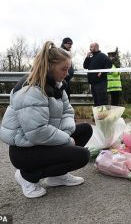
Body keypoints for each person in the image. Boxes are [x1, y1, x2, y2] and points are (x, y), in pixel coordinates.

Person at [0, 41, 92, 198]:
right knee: (82, 156)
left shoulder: (57, 85)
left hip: (42, 142)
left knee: (85, 129)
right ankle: (27, 177)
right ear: (49, 66)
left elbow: (67, 112)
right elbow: (37, 132)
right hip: (25, 150)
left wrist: (66, 132)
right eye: (64, 69)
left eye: (68, 68)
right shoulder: (31, 89)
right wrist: (66, 140)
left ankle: (57, 176)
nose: (67, 73)